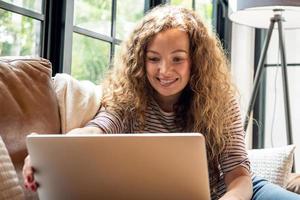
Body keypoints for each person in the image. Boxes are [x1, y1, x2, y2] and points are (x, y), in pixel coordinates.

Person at [23, 5, 299, 200]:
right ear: (141, 61)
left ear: (196, 62)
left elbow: (238, 174)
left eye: (177, 59)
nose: (164, 71)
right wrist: (48, 151)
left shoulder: (219, 100)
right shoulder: (128, 98)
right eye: (154, 59)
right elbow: (98, 129)